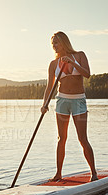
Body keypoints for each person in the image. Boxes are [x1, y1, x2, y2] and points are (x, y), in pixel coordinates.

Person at [41, 31, 98, 182]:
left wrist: (72, 63)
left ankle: (93, 173)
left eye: (57, 42)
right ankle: (58, 173)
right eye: (52, 43)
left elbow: (87, 74)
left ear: (64, 42)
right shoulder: (53, 64)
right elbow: (49, 87)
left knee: (82, 139)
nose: (54, 46)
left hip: (78, 101)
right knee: (61, 138)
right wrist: (44, 104)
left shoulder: (79, 55)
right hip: (62, 101)